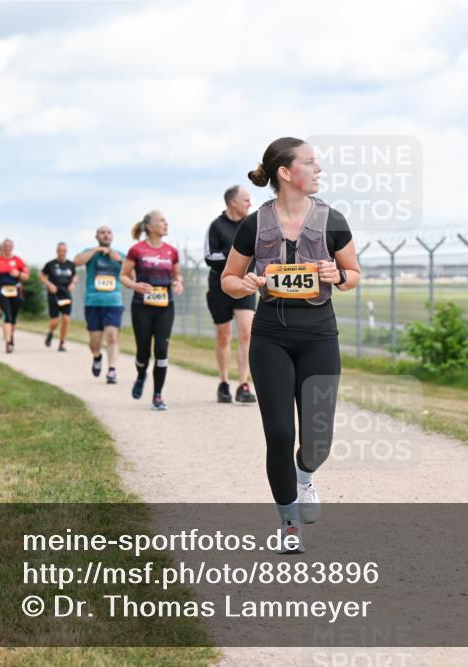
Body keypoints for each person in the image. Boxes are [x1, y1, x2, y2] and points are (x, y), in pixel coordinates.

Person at [221, 137, 361, 553]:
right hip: (271, 338)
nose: (319, 170)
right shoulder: (254, 224)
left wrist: (337, 275)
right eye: (311, 163)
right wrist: (243, 283)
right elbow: (228, 279)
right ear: (286, 173)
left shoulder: (332, 219)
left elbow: (354, 274)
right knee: (280, 433)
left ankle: (305, 477)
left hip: (319, 336)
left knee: (317, 441)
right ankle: (288, 522)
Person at [120, 211, 183, 411]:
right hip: (142, 307)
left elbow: (177, 275)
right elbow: (123, 275)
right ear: (149, 226)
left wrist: (178, 283)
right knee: (143, 351)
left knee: (162, 351)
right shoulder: (137, 250)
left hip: (165, 306)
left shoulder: (171, 251)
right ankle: (140, 375)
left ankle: (157, 395)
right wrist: (135, 286)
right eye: (162, 221)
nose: (166, 223)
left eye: (166, 220)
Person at [205, 185, 258, 404]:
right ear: (232, 202)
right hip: (220, 287)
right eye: (246, 199)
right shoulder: (216, 226)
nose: (250, 203)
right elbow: (210, 257)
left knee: (247, 332)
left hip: (245, 285)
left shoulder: (252, 225)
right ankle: (224, 383)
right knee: (224, 336)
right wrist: (236, 256)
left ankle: (243, 384)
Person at [75, 227, 126, 384]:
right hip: (93, 302)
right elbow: (76, 262)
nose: (106, 235)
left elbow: (132, 273)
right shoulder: (90, 252)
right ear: (96, 236)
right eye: (102, 232)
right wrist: (96, 250)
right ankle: (97, 357)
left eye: (109, 232)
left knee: (112, 335)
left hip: (113, 301)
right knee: (95, 342)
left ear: (113, 236)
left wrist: (118, 259)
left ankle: (112, 370)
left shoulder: (120, 255)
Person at [0, 239, 29, 353]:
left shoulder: (18, 260)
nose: (7, 248)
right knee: (7, 316)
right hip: (2, 290)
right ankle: (8, 342)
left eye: (9, 246)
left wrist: (19, 274)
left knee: (13, 318)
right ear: (2, 247)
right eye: (5, 246)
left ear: (12, 247)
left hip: (16, 290)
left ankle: (10, 337)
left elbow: (26, 276)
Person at [40, 243, 78, 352]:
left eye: (64, 250)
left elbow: (75, 276)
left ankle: (62, 343)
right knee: (55, 321)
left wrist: (73, 283)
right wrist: (49, 284)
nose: (62, 253)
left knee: (66, 319)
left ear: (66, 251)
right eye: (60, 250)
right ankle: (51, 332)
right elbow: (42, 276)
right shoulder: (50, 264)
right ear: (57, 251)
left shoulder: (71, 265)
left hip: (66, 294)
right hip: (54, 294)